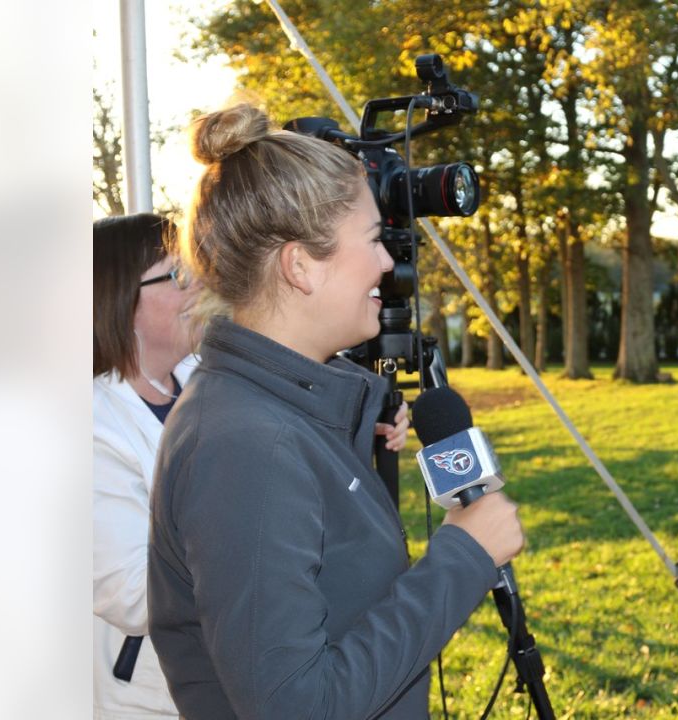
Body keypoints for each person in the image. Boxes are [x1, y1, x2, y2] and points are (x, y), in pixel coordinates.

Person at [146, 103, 524, 719]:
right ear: (299, 266)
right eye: (373, 241)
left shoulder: (284, 412)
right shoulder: (246, 445)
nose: (388, 263)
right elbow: (298, 706)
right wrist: (463, 556)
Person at [93, 213, 201, 718]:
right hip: (148, 696)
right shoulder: (85, 424)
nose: (200, 283)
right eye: (178, 276)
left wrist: (361, 418)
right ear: (120, 300)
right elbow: (136, 595)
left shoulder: (202, 377)